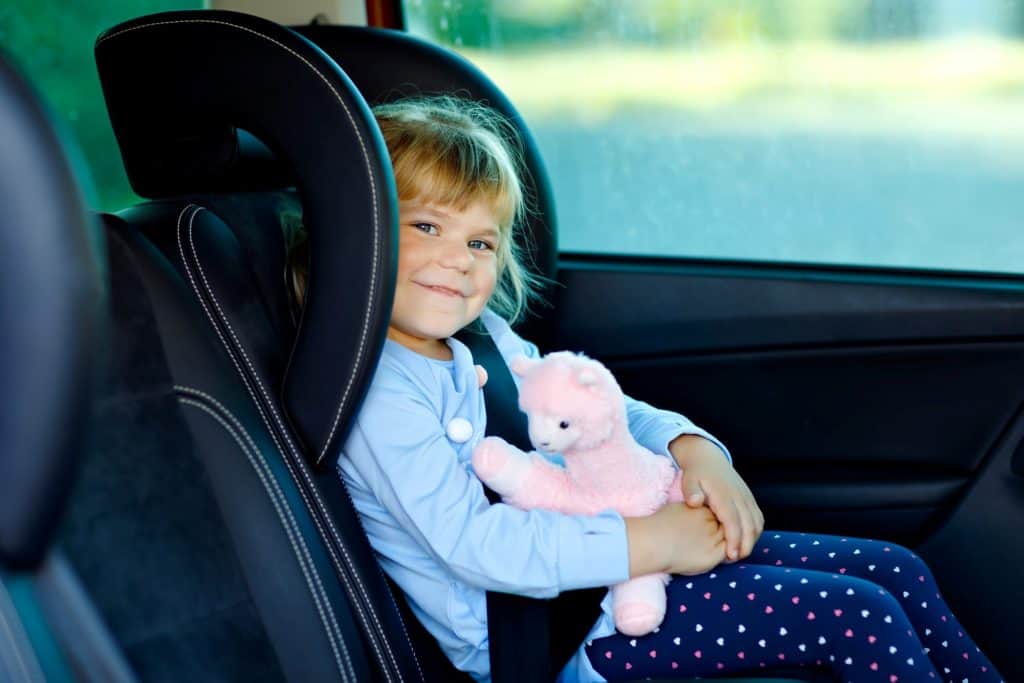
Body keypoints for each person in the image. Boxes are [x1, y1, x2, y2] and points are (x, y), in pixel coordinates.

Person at [288, 95, 1003, 683]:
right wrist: (649, 542)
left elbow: (603, 410)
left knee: (895, 568)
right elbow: (475, 545)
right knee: (859, 614)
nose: (460, 260)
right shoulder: (380, 392)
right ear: (363, 235)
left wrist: (693, 448)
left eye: (481, 241)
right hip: (553, 633)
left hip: (617, 569)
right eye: (427, 225)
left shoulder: (486, 338)